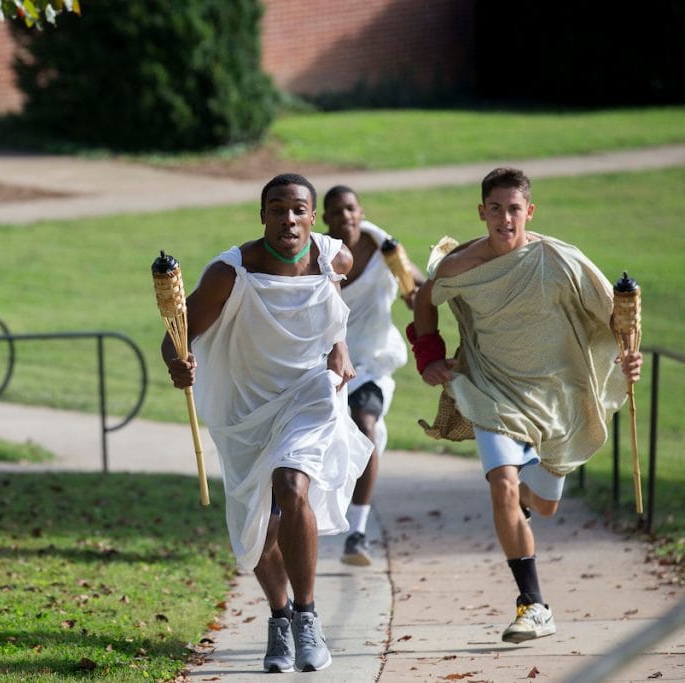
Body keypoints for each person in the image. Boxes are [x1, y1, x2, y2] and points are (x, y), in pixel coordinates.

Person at [409, 167, 643, 644]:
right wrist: (429, 355)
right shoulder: (459, 265)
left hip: (558, 399)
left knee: (543, 506)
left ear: (529, 212)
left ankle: (528, 499)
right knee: (504, 488)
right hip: (491, 390)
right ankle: (533, 604)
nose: (504, 218)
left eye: (514, 209)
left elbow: (615, 314)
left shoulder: (559, 259)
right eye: (495, 209)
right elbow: (424, 300)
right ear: (481, 212)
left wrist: (628, 357)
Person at [162, 173, 373, 673]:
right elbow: (177, 335)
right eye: (277, 209)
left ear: (313, 218)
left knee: (292, 483)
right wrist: (178, 362)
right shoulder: (229, 274)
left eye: (298, 209)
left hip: (309, 393)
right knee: (256, 529)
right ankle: (278, 618)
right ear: (262, 216)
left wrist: (338, 342)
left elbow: (338, 296)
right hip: (245, 409)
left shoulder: (332, 257)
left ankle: (306, 616)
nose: (288, 219)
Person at [322, 185, 424, 566]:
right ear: (326, 218)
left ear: (360, 212)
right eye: (336, 211)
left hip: (373, 363)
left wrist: (416, 296)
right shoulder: (318, 256)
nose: (345, 216)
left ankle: (357, 533)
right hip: (325, 363)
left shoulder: (386, 249)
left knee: (364, 426)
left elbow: (416, 283)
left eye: (350, 208)